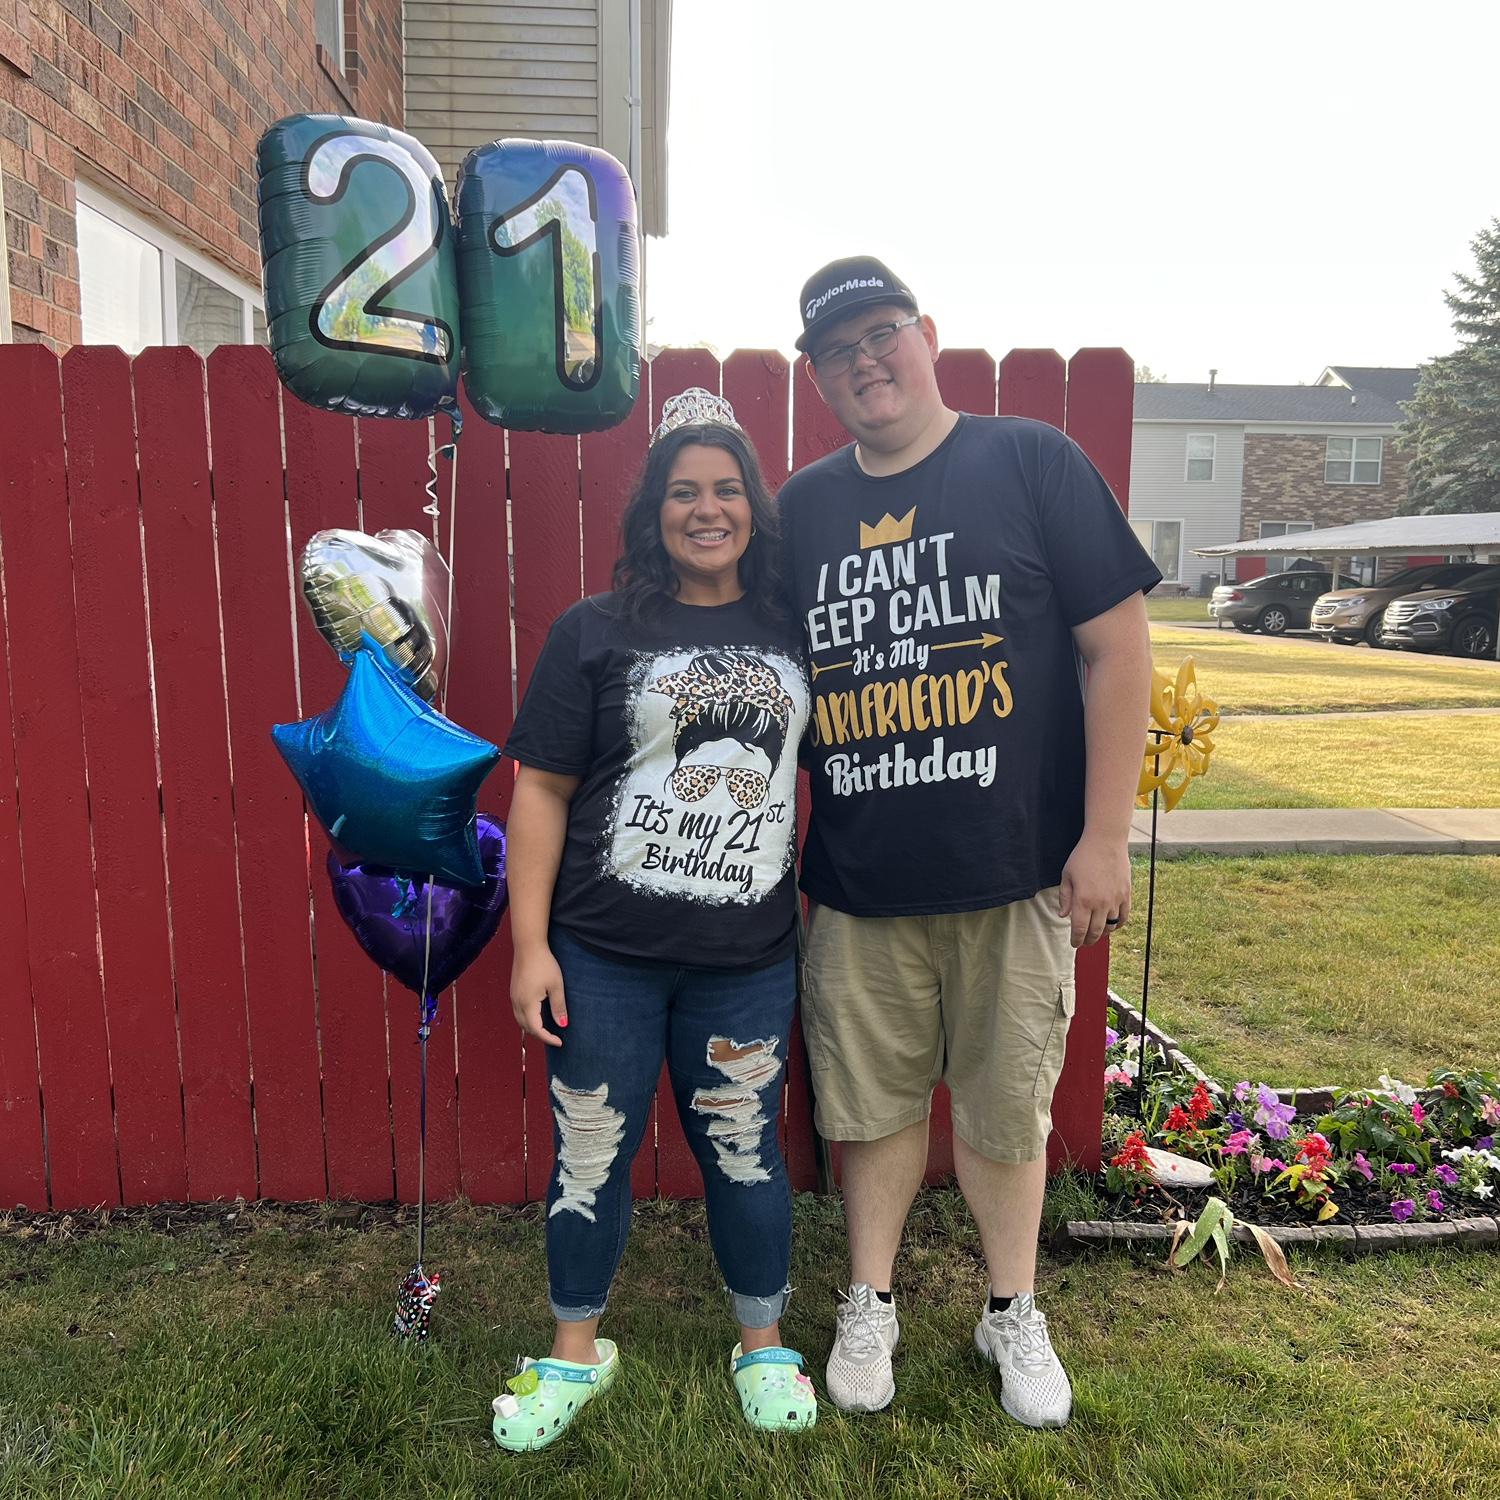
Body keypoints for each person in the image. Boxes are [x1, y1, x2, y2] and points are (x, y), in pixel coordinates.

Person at [779, 257, 1160, 1429]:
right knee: (872, 1106)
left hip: (1018, 871)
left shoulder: (1031, 461)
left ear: (927, 334)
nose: (863, 362)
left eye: (880, 334)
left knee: (1006, 1108)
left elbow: (1119, 647)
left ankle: (1011, 1309)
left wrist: (1106, 835)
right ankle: (870, 1299)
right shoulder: (801, 511)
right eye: (836, 351)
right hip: (860, 882)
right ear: (816, 377)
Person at [494, 389, 817, 1450]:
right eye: (683, 491)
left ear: (753, 506)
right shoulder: (594, 631)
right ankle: (573, 1354)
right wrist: (531, 947)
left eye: (726, 489)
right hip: (604, 957)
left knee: (744, 1151)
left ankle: (763, 1344)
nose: (706, 509)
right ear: (654, 512)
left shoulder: (797, 635)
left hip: (746, 962)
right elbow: (541, 791)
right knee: (590, 1151)